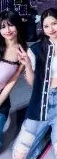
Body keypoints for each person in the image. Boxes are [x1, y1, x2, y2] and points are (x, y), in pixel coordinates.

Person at [12, 8, 57, 159]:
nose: (51, 29)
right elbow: (33, 84)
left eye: (54, 24)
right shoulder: (36, 50)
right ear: (42, 28)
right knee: (18, 157)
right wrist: (29, 65)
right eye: (46, 26)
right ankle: (46, 133)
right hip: (41, 101)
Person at [0, 11, 26, 151]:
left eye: (11, 25)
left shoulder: (22, 52)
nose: (7, 30)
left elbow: (11, 83)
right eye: (3, 27)